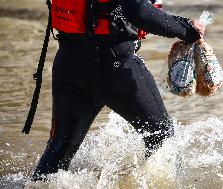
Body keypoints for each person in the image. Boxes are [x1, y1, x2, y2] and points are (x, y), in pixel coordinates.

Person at [32, 0, 205, 181]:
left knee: (60, 147)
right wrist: (187, 29)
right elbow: (139, 12)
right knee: (162, 136)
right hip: (115, 66)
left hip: (69, 66)